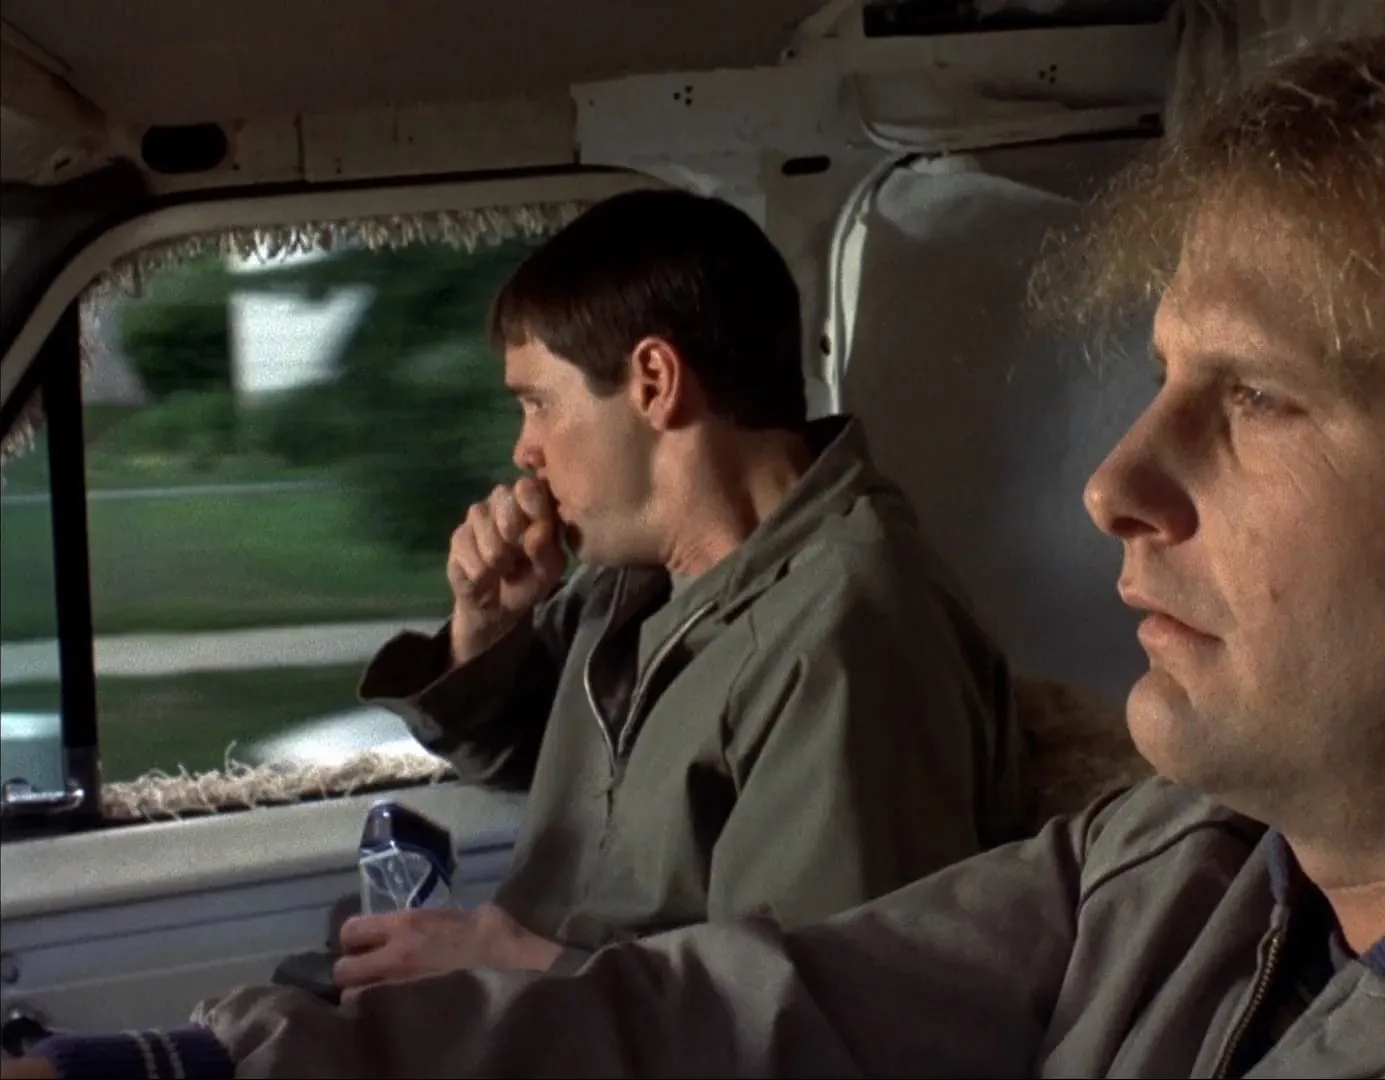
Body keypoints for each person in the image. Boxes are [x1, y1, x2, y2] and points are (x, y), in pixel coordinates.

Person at [12, 15, 1385, 1079]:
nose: (1117, 483)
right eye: (1159, 381)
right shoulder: (1203, 863)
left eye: (1253, 398)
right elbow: (756, 1015)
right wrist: (200, 1069)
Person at [317, 188, 1031, 987]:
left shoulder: (850, 634)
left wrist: (512, 963)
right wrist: (485, 629)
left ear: (654, 381)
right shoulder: (631, 579)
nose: (524, 450)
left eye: (539, 404)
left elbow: (820, 1010)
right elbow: (520, 759)